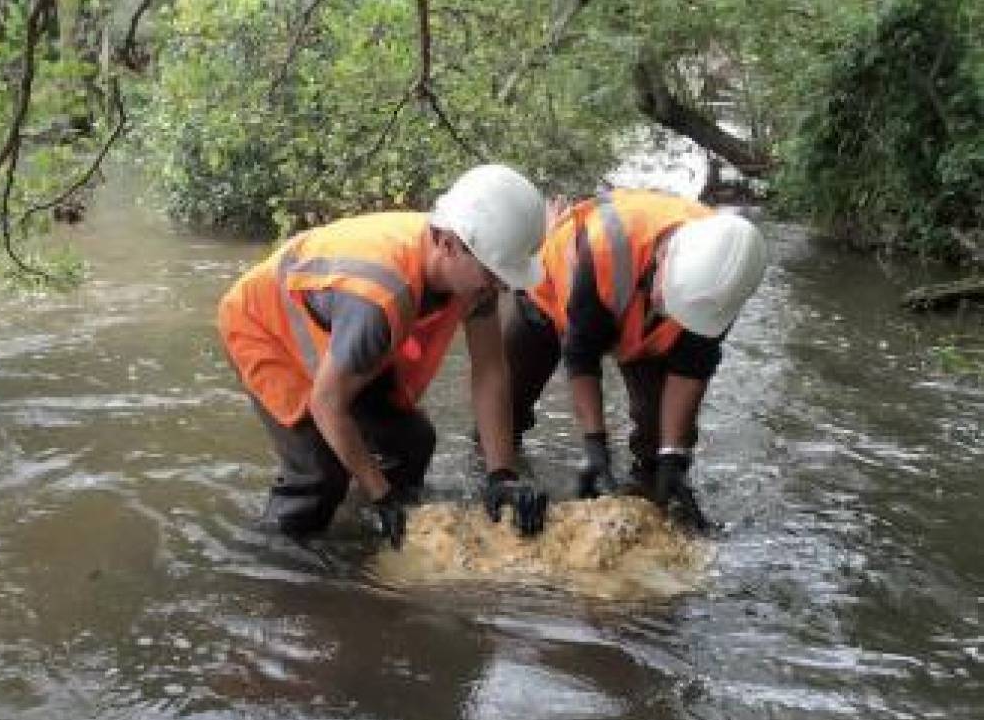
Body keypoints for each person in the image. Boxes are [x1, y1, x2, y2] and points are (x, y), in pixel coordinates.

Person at [217, 165, 552, 549]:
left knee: (411, 440)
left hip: (338, 326)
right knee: (319, 476)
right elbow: (327, 404)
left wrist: (501, 475)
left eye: (504, 274)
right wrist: (382, 495)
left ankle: (373, 532)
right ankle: (273, 563)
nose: (500, 285)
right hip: (266, 328)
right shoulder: (379, 297)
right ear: (446, 243)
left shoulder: (472, 273)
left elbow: (490, 371)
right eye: (493, 272)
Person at [503, 188, 767, 532]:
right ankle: (496, 477)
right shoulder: (604, 248)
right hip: (549, 294)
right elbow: (581, 356)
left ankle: (652, 491)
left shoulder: (724, 284)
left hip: (638, 328)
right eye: (669, 297)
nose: (670, 308)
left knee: (660, 446)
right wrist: (594, 445)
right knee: (506, 405)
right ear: (665, 254)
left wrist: (672, 454)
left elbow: (691, 369)